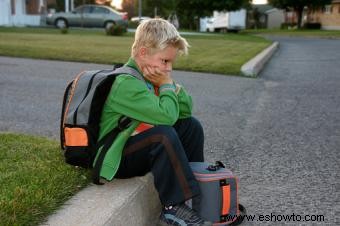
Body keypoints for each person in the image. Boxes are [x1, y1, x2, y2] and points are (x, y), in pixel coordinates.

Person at [97, 18, 211, 226]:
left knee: (191, 126)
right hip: (117, 157)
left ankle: (201, 190)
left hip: (136, 146)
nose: (168, 68)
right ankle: (172, 209)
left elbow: (184, 111)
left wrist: (171, 86)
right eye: (165, 61)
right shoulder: (126, 84)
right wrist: (166, 85)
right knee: (162, 136)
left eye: (171, 62)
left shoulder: (152, 78)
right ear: (143, 54)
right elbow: (167, 117)